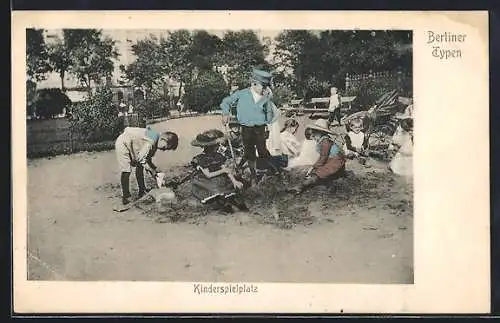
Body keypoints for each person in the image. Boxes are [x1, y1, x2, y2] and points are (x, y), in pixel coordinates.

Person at [220, 68, 279, 185]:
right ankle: (253, 175)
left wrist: (268, 123)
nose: (265, 89)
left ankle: (274, 168)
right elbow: (226, 101)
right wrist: (225, 114)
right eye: (263, 86)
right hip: (246, 128)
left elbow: (268, 112)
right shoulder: (242, 94)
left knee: (262, 151)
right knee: (249, 152)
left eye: (267, 86)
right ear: (254, 84)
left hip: (260, 128)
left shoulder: (265, 97)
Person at [115, 126, 179, 205]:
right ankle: (126, 196)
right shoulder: (151, 142)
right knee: (126, 170)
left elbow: (147, 158)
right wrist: (152, 171)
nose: (163, 150)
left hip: (132, 143)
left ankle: (142, 190)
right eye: (164, 148)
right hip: (123, 143)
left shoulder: (156, 138)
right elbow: (142, 159)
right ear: (163, 140)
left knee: (140, 166)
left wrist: (154, 169)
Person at [190, 129, 248, 212]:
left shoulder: (218, 155)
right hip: (208, 181)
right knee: (219, 194)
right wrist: (223, 171)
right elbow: (208, 175)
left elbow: (226, 170)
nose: (219, 146)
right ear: (212, 146)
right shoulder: (201, 158)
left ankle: (238, 206)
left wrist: (234, 181)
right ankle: (225, 206)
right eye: (217, 145)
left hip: (221, 179)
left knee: (234, 192)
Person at [287, 119, 346, 195]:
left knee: (318, 173)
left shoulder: (326, 142)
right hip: (331, 159)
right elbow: (322, 157)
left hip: (336, 161)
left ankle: (300, 186)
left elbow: (323, 157)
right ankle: (329, 185)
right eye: (313, 132)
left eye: (315, 132)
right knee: (318, 171)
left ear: (322, 133)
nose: (313, 135)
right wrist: (315, 166)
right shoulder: (322, 141)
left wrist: (313, 167)